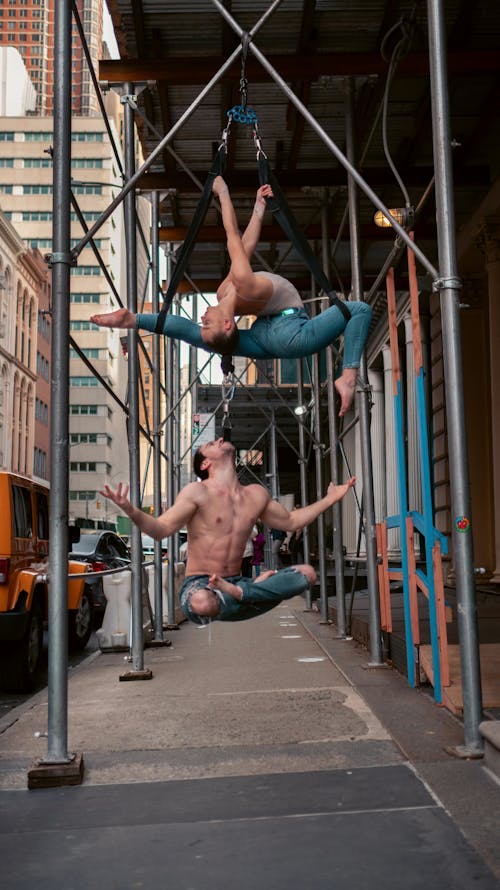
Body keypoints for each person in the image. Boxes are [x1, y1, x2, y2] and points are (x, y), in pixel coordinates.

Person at [90, 179, 372, 416]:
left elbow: (183, 328)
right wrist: (222, 192)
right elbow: (232, 236)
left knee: (208, 339)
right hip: (290, 335)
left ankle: (131, 320)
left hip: (263, 337)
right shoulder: (243, 283)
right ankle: (348, 377)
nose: (201, 318)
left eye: (203, 323)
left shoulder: (225, 294)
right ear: (227, 324)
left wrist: (133, 319)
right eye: (207, 323)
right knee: (359, 310)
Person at [100, 437, 355, 625]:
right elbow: (161, 530)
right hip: (201, 583)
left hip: (235, 582)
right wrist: (131, 510)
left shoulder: (256, 494)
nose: (220, 439)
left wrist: (330, 499)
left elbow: (291, 521)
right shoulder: (197, 492)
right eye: (212, 443)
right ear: (205, 464)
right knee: (203, 602)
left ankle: (244, 592)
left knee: (306, 574)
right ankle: (250, 593)